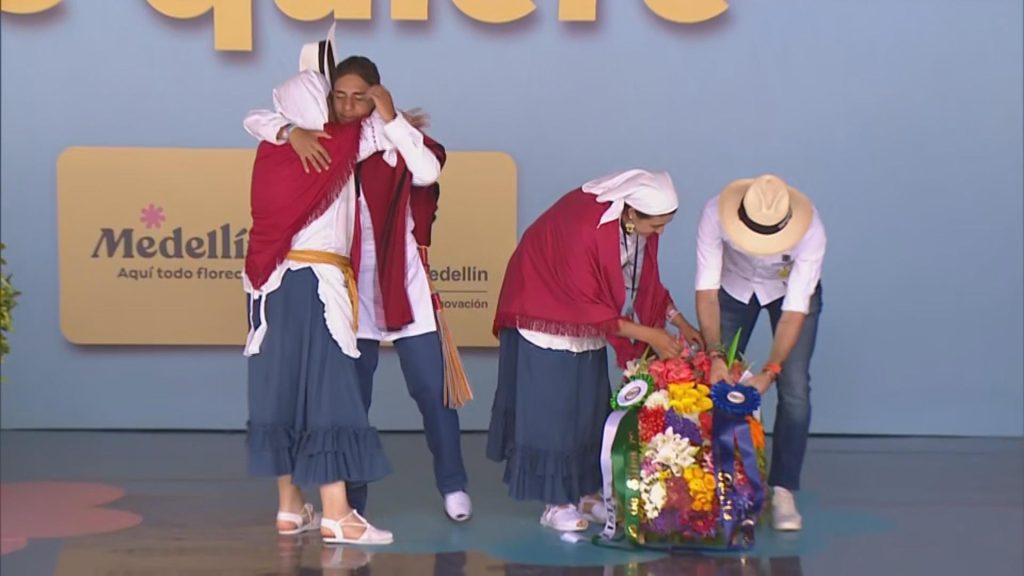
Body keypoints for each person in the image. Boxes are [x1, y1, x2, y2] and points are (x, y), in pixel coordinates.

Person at [243, 31, 472, 523]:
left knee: (433, 394)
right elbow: (256, 118)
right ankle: (352, 501)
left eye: (359, 98)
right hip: (349, 294)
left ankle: (453, 485)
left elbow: (429, 170)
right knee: (351, 403)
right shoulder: (324, 138)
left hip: (403, 288)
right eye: (339, 97)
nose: (348, 107)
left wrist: (391, 117)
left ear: (376, 95)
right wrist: (290, 132)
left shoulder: (386, 133)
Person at [487, 169, 702, 531]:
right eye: (657, 225)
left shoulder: (634, 229)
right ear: (632, 213)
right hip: (546, 314)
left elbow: (642, 281)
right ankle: (555, 504)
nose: (661, 233)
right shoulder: (584, 230)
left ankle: (586, 493)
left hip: (586, 324)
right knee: (553, 413)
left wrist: (679, 322)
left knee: (588, 408)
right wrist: (651, 335)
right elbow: (586, 307)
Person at [242, 65, 393, 544]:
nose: (341, 110)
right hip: (318, 284)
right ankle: (337, 513)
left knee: (280, 391)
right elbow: (387, 135)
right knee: (330, 390)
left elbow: (255, 117)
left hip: (269, 286)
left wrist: (286, 131)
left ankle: (289, 508)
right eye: (332, 100)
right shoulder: (338, 146)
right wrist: (388, 111)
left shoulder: (271, 153)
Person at [694, 174, 826, 531]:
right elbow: (706, 293)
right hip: (733, 288)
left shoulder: (811, 231)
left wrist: (772, 368)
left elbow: (794, 313)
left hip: (788, 293)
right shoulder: (714, 213)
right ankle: (709, 483)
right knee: (713, 377)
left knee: (795, 388)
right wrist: (717, 353)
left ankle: (782, 489)